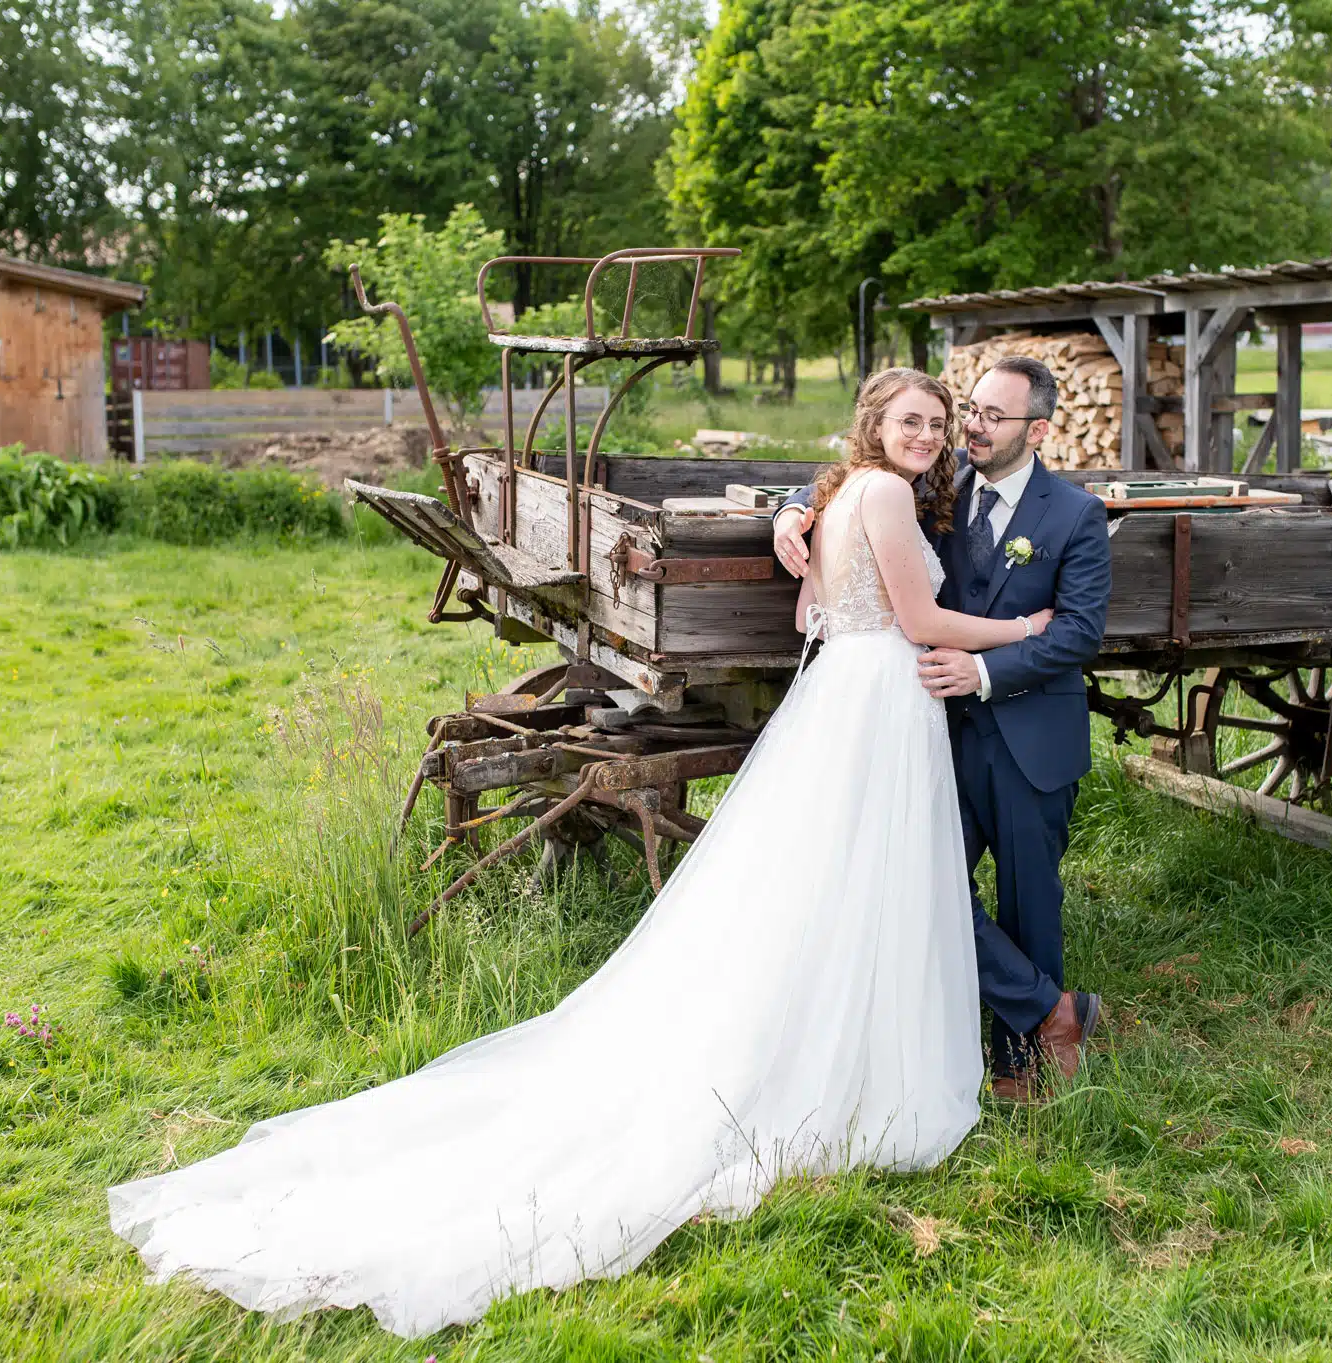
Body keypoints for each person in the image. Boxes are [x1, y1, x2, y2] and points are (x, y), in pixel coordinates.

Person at [109, 367, 1053, 1338]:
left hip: (850, 692)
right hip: (880, 696)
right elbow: (923, 621)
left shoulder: (840, 492)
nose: (927, 434)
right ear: (874, 425)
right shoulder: (887, 494)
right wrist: (1028, 628)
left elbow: (817, 611)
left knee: (843, 881)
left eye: (936, 423)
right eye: (910, 420)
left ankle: (841, 1031)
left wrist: (798, 543)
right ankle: (857, 1060)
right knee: (874, 878)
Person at [772, 356, 1112, 1102]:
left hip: (1027, 731)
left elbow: (1079, 632)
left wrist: (985, 671)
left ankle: (1022, 1063)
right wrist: (787, 514)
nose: (971, 429)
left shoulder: (1074, 513)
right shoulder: (936, 477)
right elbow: (848, 477)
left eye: (992, 416)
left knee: (1028, 898)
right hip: (932, 730)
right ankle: (1050, 1012)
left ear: (1041, 429)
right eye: (974, 412)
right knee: (917, 885)